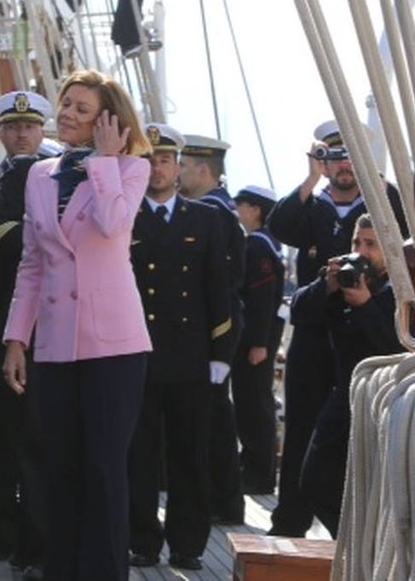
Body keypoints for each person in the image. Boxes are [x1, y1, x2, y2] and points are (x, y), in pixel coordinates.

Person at [2, 69, 153, 581]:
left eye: (80, 109)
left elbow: (114, 226)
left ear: (107, 122)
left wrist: (106, 161)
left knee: (104, 470)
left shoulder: (131, 169)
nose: (66, 114)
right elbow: (32, 262)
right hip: (57, 345)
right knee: (58, 469)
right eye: (66, 104)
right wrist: (17, 337)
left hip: (115, 346)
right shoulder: (39, 176)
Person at [265, 119, 407, 537]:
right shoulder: (314, 202)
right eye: (334, 156)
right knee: (302, 432)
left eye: (350, 156)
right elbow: (280, 225)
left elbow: (405, 236)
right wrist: (312, 176)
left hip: (367, 335)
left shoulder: (382, 200)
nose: (343, 166)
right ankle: (290, 519)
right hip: (316, 331)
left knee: (353, 442)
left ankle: (356, 532)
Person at [127, 123, 232, 572]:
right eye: (148, 160)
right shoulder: (124, 214)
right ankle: (142, 540)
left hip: (189, 357)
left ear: (179, 166)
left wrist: (221, 353)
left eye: (165, 160)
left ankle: (188, 543)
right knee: (139, 455)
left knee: (190, 456)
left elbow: (222, 290)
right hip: (134, 353)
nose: (157, 169)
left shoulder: (207, 219)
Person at [0, 90, 52, 580]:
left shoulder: (65, 177)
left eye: (30, 125)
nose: (22, 133)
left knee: (41, 442)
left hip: (53, 329)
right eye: (13, 126)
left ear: (42, 130)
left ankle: (37, 537)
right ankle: (0, 535)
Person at [297, 214, 402, 535]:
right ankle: (350, 545)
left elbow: (395, 348)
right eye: (357, 242)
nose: (362, 250)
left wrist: (366, 306)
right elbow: (300, 311)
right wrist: (325, 286)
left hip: (385, 400)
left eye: (371, 245)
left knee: (377, 492)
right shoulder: (344, 280)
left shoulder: (400, 291)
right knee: (314, 481)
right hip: (346, 396)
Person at [177, 134, 246, 524]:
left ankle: (222, 501)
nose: (177, 174)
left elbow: (220, 280)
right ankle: (223, 500)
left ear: (204, 171)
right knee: (212, 416)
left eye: (183, 167)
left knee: (212, 420)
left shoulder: (212, 214)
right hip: (210, 325)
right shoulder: (219, 209)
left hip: (211, 327)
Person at [232, 185, 286, 495]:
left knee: (253, 403)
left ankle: (260, 473)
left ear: (256, 210)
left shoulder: (257, 247)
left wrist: (259, 343)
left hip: (256, 337)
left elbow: (263, 297)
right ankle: (253, 465)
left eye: (242, 205)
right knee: (252, 401)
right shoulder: (268, 244)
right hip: (258, 334)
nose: (238, 210)